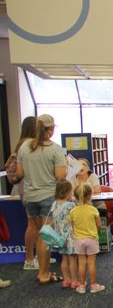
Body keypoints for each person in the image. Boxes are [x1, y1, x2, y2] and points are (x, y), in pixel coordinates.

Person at [16, 114, 67, 284]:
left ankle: (42, 270)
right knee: (45, 236)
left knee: (38, 233)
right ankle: (44, 273)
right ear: (51, 129)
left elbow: (20, 174)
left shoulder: (24, 148)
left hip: (30, 198)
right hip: (47, 197)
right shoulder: (55, 149)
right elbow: (60, 176)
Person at [10, 116, 40, 269]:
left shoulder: (23, 144)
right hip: (30, 189)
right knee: (33, 224)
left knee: (38, 225)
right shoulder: (27, 145)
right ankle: (29, 259)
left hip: (31, 189)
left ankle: (37, 256)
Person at [69, 183, 104, 294]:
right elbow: (99, 225)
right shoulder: (93, 210)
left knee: (82, 263)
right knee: (91, 264)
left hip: (79, 240)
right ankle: (94, 285)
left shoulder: (73, 211)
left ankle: (82, 286)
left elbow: (72, 227)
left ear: (75, 196)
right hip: (92, 239)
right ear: (89, 196)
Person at [45, 180, 78, 289]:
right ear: (67, 192)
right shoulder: (71, 205)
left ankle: (66, 280)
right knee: (72, 259)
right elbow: (75, 219)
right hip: (70, 236)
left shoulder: (54, 204)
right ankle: (74, 281)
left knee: (64, 259)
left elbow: (52, 219)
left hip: (59, 236)